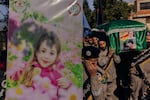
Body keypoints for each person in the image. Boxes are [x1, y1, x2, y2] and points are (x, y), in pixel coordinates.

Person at [9, 32, 72, 100]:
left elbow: (67, 93)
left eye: (51, 53)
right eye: (43, 51)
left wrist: (67, 86)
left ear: (56, 56)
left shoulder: (57, 76)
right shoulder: (28, 68)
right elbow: (10, 79)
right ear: (36, 52)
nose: (46, 56)